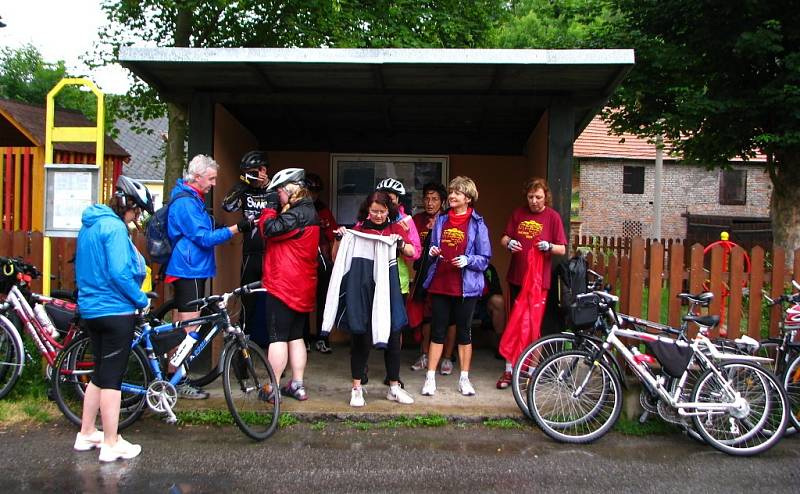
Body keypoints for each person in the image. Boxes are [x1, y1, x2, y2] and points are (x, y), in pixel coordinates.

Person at [74, 175, 154, 461]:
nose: (136, 217)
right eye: (136, 211)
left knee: (99, 373)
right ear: (127, 204)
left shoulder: (90, 225)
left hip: (91, 310)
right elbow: (119, 273)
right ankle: (111, 442)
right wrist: (141, 299)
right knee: (113, 379)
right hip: (115, 310)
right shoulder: (115, 229)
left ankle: (86, 433)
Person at [165, 154, 253, 399]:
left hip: (191, 267)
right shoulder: (186, 203)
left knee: (181, 326)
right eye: (211, 178)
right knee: (189, 328)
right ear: (197, 177)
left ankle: (172, 376)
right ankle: (178, 381)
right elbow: (203, 238)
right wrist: (237, 228)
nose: (214, 183)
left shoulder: (193, 198)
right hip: (189, 269)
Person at [332, 191, 416, 407]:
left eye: (382, 211)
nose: (378, 216)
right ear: (367, 211)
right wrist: (339, 238)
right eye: (374, 212)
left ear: (389, 210)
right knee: (360, 337)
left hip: (390, 290)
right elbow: (336, 257)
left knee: (394, 338)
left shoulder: (396, 228)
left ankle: (394, 387)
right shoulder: (358, 230)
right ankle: (357, 389)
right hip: (363, 290)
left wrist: (399, 243)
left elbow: (412, 251)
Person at [421, 176, 491, 397]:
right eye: (451, 192)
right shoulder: (441, 220)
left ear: (468, 198)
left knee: (464, 332)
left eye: (457, 193)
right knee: (437, 331)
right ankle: (430, 379)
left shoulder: (478, 223)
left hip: (466, 287)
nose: (451, 196)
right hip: (441, 283)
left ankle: (464, 379)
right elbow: (433, 246)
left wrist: (468, 260)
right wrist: (432, 252)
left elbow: (485, 258)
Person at [497, 177, 567, 389]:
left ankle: (531, 371)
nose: (534, 201)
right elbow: (503, 238)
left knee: (534, 327)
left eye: (538, 197)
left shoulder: (553, 217)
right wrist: (510, 243)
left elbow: (562, 249)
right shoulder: (518, 214)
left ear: (546, 197)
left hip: (539, 283)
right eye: (530, 197)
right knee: (514, 324)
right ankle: (509, 370)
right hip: (516, 278)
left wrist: (549, 246)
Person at [257, 168, 320, 402]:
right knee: (296, 336)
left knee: (278, 338)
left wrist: (269, 206)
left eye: (279, 192)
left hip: (283, 286)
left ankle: (272, 388)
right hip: (302, 286)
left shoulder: (295, 215)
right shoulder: (308, 211)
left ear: (288, 190)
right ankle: (297, 385)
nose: (278, 196)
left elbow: (268, 229)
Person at [221, 150, 271, 348]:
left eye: (253, 171)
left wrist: (266, 185)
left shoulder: (275, 188)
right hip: (250, 254)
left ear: (263, 170)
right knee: (246, 304)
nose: (251, 175)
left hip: (272, 254)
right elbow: (227, 206)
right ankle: (243, 354)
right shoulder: (245, 189)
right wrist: (244, 183)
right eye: (246, 172)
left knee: (272, 304)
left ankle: (273, 356)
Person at [409, 182, 457, 375]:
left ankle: (447, 357)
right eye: (427, 199)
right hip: (422, 274)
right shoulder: (417, 219)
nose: (430, 203)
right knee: (425, 317)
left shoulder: (449, 219)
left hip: (445, 274)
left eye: (435, 199)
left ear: (443, 201)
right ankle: (424, 354)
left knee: (449, 318)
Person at [303, 172, 339, 354]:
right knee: (303, 301)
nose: (313, 195)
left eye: (316, 191)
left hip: (323, 261)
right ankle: (303, 338)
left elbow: (334, 236)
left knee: (323, 300)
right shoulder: (296, 208)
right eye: (310, 191)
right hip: (302, 262)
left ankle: (322, 338)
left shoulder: (323, 209)